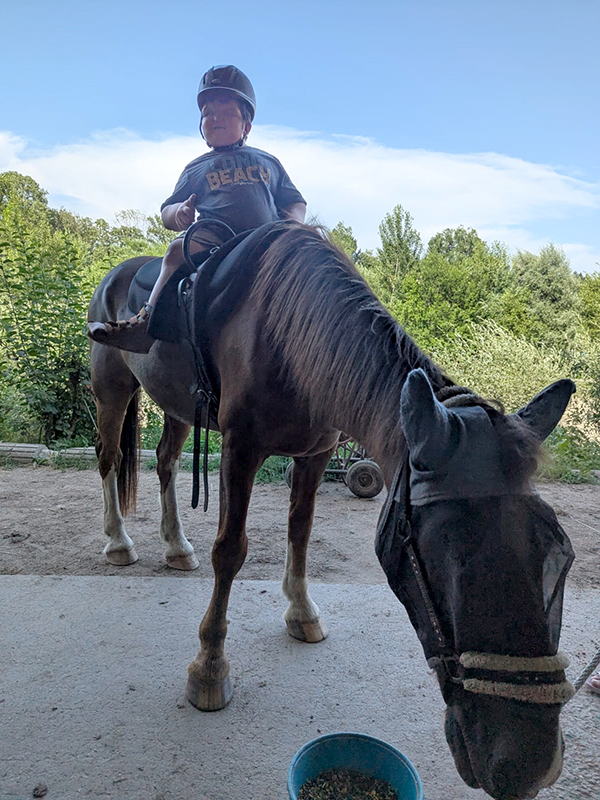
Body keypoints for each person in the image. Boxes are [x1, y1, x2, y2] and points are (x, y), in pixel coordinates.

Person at [88, 65, 307, 353]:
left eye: (227, 113)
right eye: (208, 114)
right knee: (175, 252)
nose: (216, 119)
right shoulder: (196, 168)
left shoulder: (268, 161)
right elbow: (167, 210)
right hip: (214, 235)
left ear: (247, 126)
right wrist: (179, 213)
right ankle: (146, 322)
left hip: (265, 236)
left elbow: (294, 200)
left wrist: (293, 222)